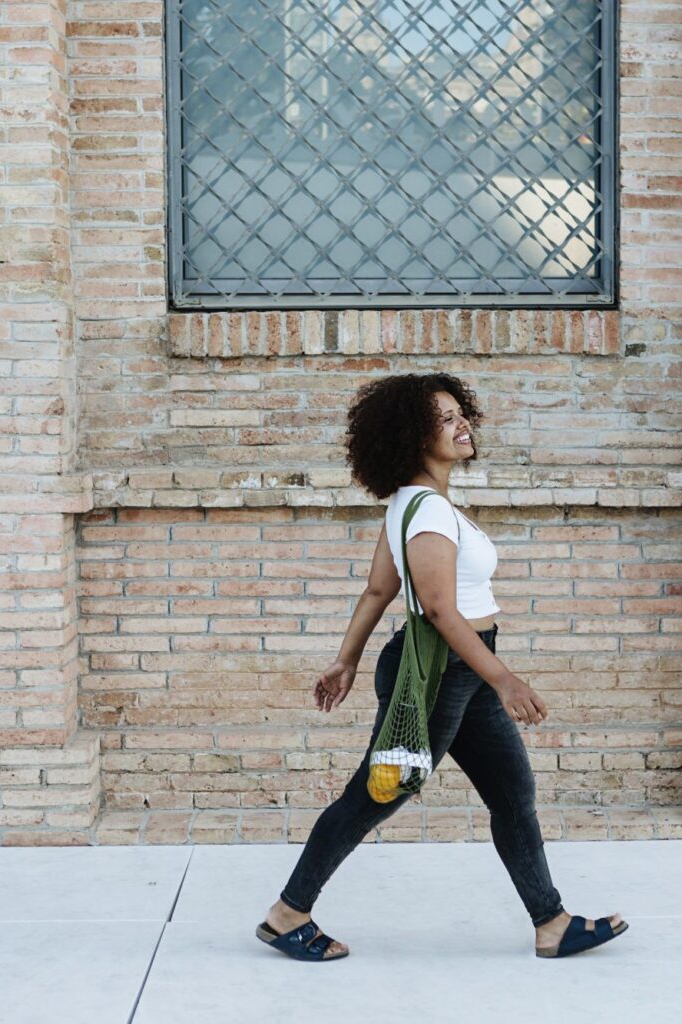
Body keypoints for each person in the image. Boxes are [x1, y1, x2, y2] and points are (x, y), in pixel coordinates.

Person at [256, 372, 628, 961]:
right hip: (443, 670)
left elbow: (379, 590)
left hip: (462, 671)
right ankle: (288, 914)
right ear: (412, 434)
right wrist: (503, 678)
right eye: (446, 418)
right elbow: (436, 608)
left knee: (512, 794)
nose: (462, 425)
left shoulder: (412, 503)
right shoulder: (426, 509)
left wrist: (346, 659)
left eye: (462, 414)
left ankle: (550, 923)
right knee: (376, 795)